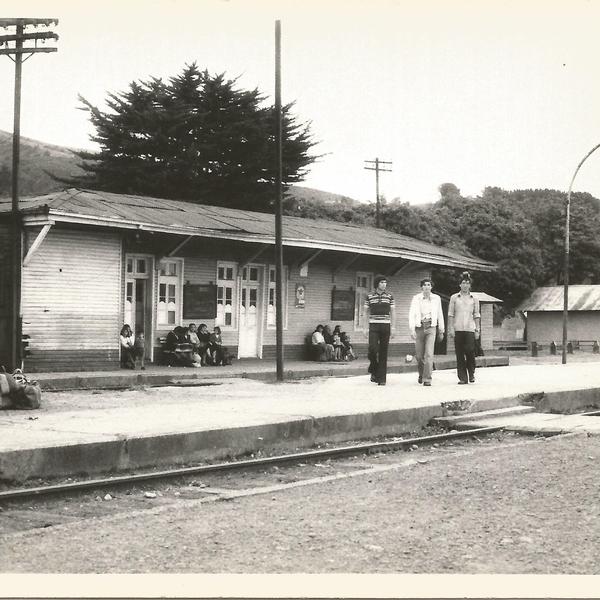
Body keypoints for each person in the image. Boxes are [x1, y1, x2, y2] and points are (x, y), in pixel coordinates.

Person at [408, 278, 444, 386]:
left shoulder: (436, 298)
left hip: (431, 327)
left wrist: (441, 330)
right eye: (424, 285)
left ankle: (427, 378)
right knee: (419, 356)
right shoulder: (416, 298)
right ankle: (421, 374)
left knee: (429, 354)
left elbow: (440, 314)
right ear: (421, 287)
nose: (427, 287)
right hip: (419, 327)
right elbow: (412, 314)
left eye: (429, 285)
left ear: (431, 287)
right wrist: (412, 329)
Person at [448, 271, 481, 384]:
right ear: (460, 285)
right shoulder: (454, 298)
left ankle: (471, 372)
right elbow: (451, 314)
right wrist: (451, 328)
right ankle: (463, 377)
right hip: (458, 328)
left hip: (470, 328)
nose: (465, 285)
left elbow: (476, 314)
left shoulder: (474, 298)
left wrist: (477, 329)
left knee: (470, 350)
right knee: (460, 353)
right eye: (463, 283)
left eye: (467, 283)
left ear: (470, 285)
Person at [364, 274, 395, 385]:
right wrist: (364, 328)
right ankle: (374, 368)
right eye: (382, 282)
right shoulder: (369, 296)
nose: (384, 284)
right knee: (372, 349)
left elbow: (393, 312)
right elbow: (365, 312)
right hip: (373, 326)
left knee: (383, 352)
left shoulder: (389, 296)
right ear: (377, 284)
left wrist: (394, 327)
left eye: (385, 282)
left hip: (386, 326)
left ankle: (382, 379)